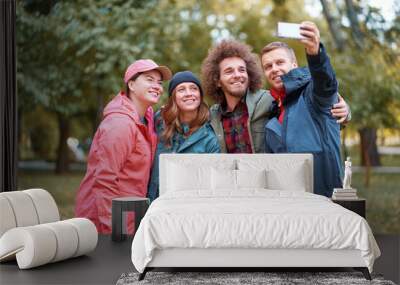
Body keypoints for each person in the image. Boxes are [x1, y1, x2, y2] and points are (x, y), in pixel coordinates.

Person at [201, 39, 350, 154]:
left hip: (266, 186)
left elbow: (317, 109)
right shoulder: (213, 115)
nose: (237, 75)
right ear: (217, 80)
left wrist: (345, 110)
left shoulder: (269, 100)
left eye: (241, 70)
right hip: (233, 188)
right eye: (229, 71)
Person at [75, 59, 172, 233]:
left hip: (129, 216)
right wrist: (115, 230)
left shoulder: (147, 120)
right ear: (132, 84)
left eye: (159, 82)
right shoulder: (120, 124)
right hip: (106, 223)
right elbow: (104, 181)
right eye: (149, 80)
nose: (157, 86)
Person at [261, 21, 342, 197]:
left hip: (324, 197)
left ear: (294, 64)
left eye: (280, 62)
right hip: (289, 203)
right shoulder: (273, 111)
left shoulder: (312, 93)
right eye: (268, 66)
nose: (274, 69)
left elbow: (326, 84)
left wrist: (315, 54)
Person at [147, 71, 220, 202]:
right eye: (181, 89)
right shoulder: (159, 121)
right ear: (173, 97)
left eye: (194, 88)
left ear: (200, 95)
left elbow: (213, 183)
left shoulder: (210, 138)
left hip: (190, 206)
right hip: (155, 203)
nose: (189, 93)